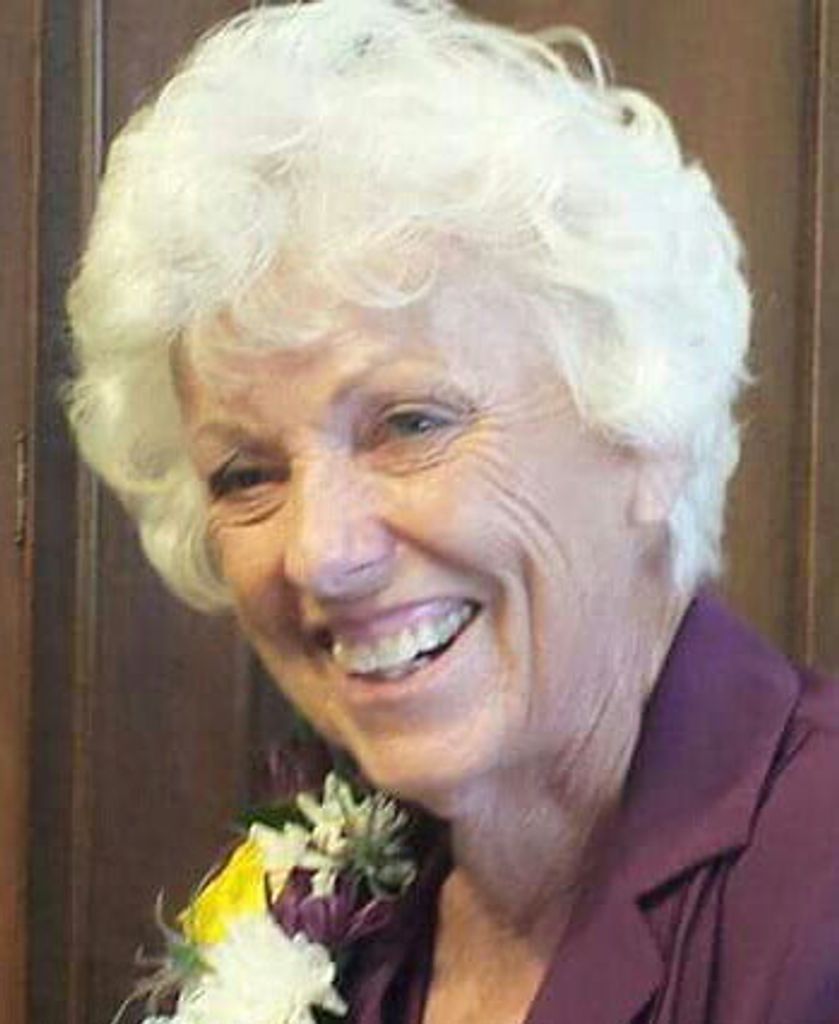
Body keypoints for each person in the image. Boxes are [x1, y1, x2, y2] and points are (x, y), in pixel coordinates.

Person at [65, 2, 839, 1022]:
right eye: (247, 476)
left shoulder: (815, 892)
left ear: (647, 431)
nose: (321, 552)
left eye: (410, 423)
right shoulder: (327, 911)